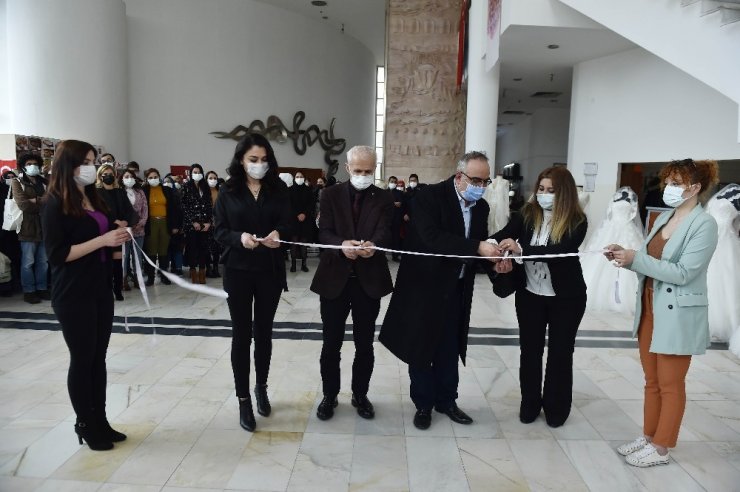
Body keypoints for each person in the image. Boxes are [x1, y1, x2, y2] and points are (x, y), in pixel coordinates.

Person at [379, 151, 503, 430]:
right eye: (476, 180)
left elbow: (479, 249)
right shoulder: (428, 197)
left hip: (456, 288)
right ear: (459, 176)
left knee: (449, 346)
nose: (480, 186)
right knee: (422, 345)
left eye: (486, 182)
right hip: (423, 287)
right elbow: (431, 238)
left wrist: (494, 262)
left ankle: (447, 401)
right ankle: (423, 404)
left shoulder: (481, 208)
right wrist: (477, 247)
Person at [608, 159, 719, 467]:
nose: (668, 188)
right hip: (650, 307)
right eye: (668, 182)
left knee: (671, 384)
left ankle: (661, 447)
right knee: (651, 380)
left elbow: (684, 273)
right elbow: (647, 258)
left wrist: (636, 259)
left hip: (678, 313)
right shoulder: (664, 217)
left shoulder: (704, 224)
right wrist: (625, 256)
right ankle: (647, 436)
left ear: (694, 188)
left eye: (675, 183)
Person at [41, 140, 131, 450]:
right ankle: (85, 423)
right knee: (82, 359)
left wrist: (116, 233)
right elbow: (58, 254)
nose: (92, 166)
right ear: (69, 164)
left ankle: (101, 419)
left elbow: (102, 236)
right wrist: (103, 239)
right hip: (73, 292)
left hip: (99, 288)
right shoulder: (54, 202)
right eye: (86, 161)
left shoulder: (93, 196)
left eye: (93, 160)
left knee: (99, 359)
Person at [491, 166, 588, 428]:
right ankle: (530, 404)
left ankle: (557, 408)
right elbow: (505, 235)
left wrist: (521, 248)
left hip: (566, 298)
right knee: (529, 352)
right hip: (530, 295)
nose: (544, 195)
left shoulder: (577, 220)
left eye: (551, 191)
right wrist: (490, 244)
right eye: (541, 190)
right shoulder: (527, 213)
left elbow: (560, 249)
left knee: (560, 353)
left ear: (564, 193)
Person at [213, 133, 292, 432]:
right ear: (241, 161)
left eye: (263, 160)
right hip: (238, 270)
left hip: (270, 269)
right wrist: (239, 238)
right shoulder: (229, 189)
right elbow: (219, 230)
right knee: (241, 334)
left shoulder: (278, 188)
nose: (259, 165)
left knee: (264, 333)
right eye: (253, 160)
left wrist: (278, 236)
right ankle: (243, 398)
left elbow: (288, 224)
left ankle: (261, 386)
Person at [310, 146, 393, 421]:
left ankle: (360, 394)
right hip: (335, 279)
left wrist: (375, 245)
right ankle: (329, 395)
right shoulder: (330, 194)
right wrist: (340, 245)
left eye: (369, 171)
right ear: (348, 169)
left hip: (368, 282)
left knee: (364, 344)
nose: (363, 175)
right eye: (358, 171)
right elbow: (324, 232)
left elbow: (386, 231)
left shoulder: (383, 197)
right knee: (330, 343)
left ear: (375, 169)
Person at [581, 187, 644, 314]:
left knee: (627, 262)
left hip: (627, 230)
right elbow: (609, 214)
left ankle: (622, 296)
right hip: (610, 228)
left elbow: (633, 214)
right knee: (599, 261)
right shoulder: (614, 198)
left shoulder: (632, 198)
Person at [95, 164, 138, 300]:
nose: (108, 176)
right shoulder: (96, 192)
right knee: (106, 263)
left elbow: (129, 210)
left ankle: (118, 289)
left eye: (111, 174)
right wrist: (115, 221)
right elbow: (98, 211)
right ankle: (106, 290)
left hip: (120, 230)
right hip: (104, 231)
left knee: (118, 263)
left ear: (115, 176)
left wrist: (126, 222)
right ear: (100, 176)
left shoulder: (120, 192)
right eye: (105, 174)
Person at [705, 183, 740, 351]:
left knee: (727, 280)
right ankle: (708, 322)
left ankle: (726, 323)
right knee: (712, 279)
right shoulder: (723, 197)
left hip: (727, 241)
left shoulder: (728, 198)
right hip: (714, 239)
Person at [12, 154, 49, 304]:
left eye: (35, 163)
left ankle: (42, 288)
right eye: (29, 163)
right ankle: (29, 291)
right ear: (23, 165)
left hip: (45, 226)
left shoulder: (45, 182)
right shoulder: (17, 182)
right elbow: (23, 205)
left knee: (43, 261)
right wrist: (40, 202)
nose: (32, 165)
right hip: (27, 227)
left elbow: (52, 200)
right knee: (28, 262)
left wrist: (35, 201)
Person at [142, 168, 181, 286]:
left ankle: (164, 276)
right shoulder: (144, 190)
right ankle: (150, 277)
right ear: (146, 179)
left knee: (164, 250)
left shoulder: (167, 190)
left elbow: (174, 209)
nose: (153, 179)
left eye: (155, 177)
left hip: (165, 223)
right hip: (151, 223)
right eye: (150, 178)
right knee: (151, 250)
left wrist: (175, 225)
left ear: (159, 177)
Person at [182, 163, 213, 284]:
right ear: (190, 174)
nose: (197, 174)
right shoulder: (186, 187)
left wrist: (208, 222)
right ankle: (193, 271)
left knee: (203, 249)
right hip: (191, 224)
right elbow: (184, 206)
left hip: (205, 223)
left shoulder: (205, 187)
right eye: (194, 172)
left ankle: (202, 272)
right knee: (193, 249)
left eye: (199, 172)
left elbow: (210, 205)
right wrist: (192, 221)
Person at [120, 169, 148, 290]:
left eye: (131, 176)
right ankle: (124, 278)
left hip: (139, 229)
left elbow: (145, 209)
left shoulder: (140, 192)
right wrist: (125, 225)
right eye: (126, 176)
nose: (129, 178)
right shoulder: (119, 192)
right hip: (124, 230)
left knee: (137, 255)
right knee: (125, 256)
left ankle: (138, 278)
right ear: (121, 178)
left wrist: (141, 223)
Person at [288, 171, 314, 273]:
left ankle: (304, 264)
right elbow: (289, 205)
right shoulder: (289, 190)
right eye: (297, 176)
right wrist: (297, 214)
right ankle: (293, 264)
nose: (299, 178)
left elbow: (311, 204)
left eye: (301, 176)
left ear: (304, 178)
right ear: (294, 178)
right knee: (294, 242)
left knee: (303, 242)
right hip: (294, 220)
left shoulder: (308, 190)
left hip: (305, 220)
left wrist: (304, 214)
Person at [0, 170, 21, 295]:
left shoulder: (15, 189)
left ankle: (12, 285)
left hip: (13, 230)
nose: (11, 179)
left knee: (14, 257)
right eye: (8, 177)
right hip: (5, 230)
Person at [205, 171, 222, 278]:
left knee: (216, 247)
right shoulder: (203, 192)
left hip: (218, 223)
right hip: (206, 223)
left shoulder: (220, 192)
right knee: (207, 247)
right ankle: (208, 268)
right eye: (211, 178)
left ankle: (215, 268)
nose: (213, 180)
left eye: (215, 178)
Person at [387, 176, 404, 261]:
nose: (393, 183)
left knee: (395, 238)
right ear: (388, 181)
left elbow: (399, 204)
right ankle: (382, 256)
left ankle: (395, 256)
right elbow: (382, 204)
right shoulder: (384, 192)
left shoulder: (399, 193)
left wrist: (389, 203)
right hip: (385, 220)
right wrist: (393, 203)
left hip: (396, 219)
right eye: (391, 181)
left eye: (394, 182)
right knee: (384, 238)